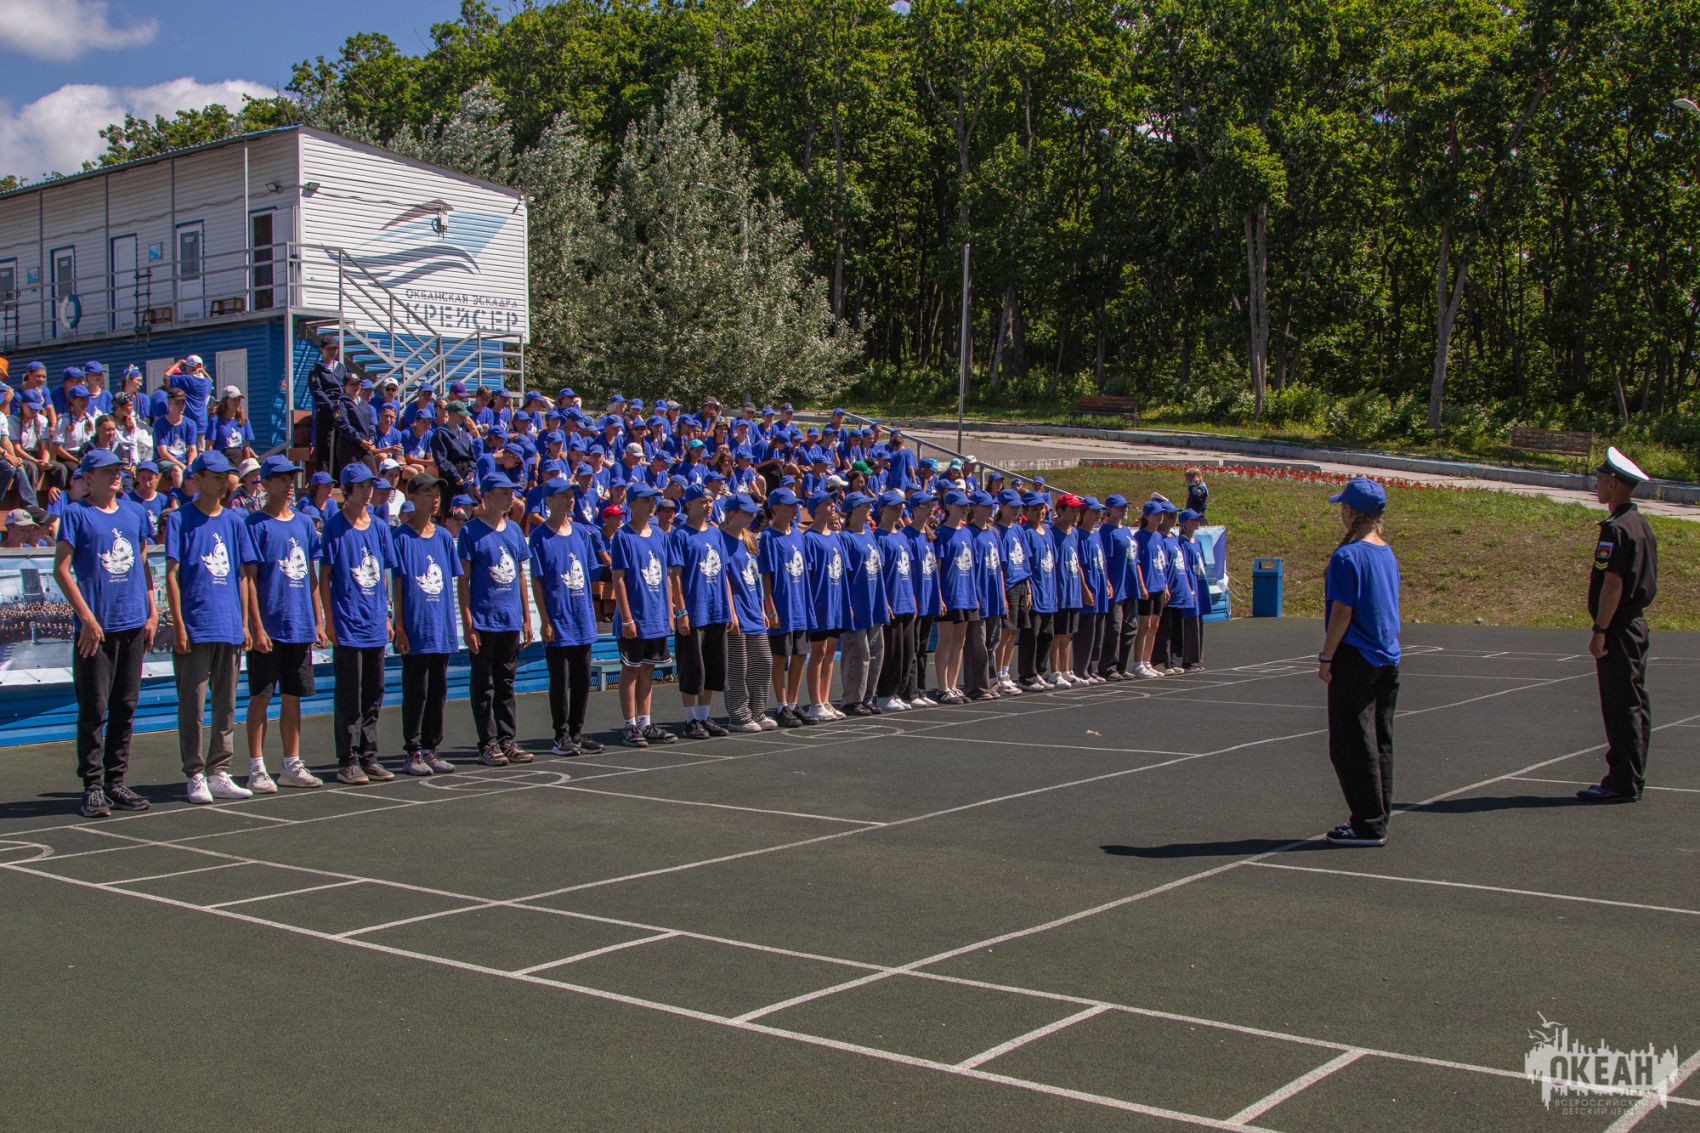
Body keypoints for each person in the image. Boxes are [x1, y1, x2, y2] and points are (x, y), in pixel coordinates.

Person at [54, 449, 158, 817]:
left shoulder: (134, 512)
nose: (116, 475)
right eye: (106, 470)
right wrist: (86, 617)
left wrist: (152, 611)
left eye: (118, 469)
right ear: (87, 477)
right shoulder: (76, 514)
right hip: (95, 630)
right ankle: (93, 787)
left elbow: (143, 562)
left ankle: (116, 781)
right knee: (94, 708)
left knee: (125, 706)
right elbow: (61, 569)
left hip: (132, 623)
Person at [166, 452, 259, 804]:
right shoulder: (180, 519)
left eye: (226, 477)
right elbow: (172, 574)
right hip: (196, 625)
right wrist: (179, 624)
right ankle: (195, 772)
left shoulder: (235, 521)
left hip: (229, 625)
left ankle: (219, 770)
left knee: (226, 704)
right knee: (192, 705)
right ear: (198, 478)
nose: (223, 483)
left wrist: (245, 623)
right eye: (216, 476)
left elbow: (244, 576)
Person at [1318, 477, 1401, 847]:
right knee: (1379, 740)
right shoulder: (1385, 551)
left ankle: (1367, 822)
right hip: (1386, 655)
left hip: (1356, 655)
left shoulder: (1347, 556)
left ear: (1350, 511)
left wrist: (1327, 656)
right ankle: (1378, 815)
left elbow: (1342, 612)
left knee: (1351, 743)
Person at [242, 456, 326, 792]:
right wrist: (256, 626)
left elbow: (312, 578)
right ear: (264, 483)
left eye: (291, 478)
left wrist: (317, 620)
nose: (288, 484)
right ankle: (256, 766)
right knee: (261, 696)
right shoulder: (254, 524)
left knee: (293, 696)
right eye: (280, 478)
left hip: (299, 625)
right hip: (269, 627)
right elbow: (249, 580)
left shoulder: (304, 523)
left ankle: (291, 763)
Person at [1579, 447, 1658, 803]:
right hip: (1634, 624)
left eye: (1599, 479)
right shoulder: (1639, 525)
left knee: (1620, 704)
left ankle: (1622, 781)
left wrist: (1600, 631)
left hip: (1619, 627)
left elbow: (1613, 584)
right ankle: (1631, 776)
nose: (1596, 484)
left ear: (1613, 484)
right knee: (1634, 702)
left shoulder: (1615, 529)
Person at [320, 463, 396, 784]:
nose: (368, 492)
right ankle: (348, 759)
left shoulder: (379, 527)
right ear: (347, 490)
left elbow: (385, 573)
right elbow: (325, 576)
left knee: (374, 692)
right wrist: (329, 620)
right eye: (362, 486)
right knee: (349, 694)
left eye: (370, 486)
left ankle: (369, 756)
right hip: (348, 622)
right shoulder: (335, 527)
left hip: (375, 622)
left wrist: (388, 614)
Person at [458, 471, 535, 765]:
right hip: (484, 620)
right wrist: (468, 622)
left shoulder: (513, 530)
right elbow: (463, 580)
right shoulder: (470, 532)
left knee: (506, 683)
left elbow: (521, 576)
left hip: (509, 619)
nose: (510, 497)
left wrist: (526, 617)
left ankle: (507, 739)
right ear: (487, 496)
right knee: (483, 684)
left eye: (511, 493)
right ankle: (487, 742)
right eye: (504, 493)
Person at [529, 476, 606, 756]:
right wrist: (545, 620)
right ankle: (560, 735)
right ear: (549, 500)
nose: (570, 499)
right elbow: (537, 581)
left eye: (571, 495)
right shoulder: (540, 537)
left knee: (582, 679)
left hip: (581, 617)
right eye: (563, 495)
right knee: (560, 681)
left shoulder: (581, 533)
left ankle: (576, 732)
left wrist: (592, 610)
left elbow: (588, 574)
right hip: (558, 618)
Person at [390, 475, 462, 775]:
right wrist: (400, 628)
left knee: (437, 691)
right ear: (413, 497)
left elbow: (449, 584)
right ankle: (413, 751)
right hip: (416, 628)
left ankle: (432, 748)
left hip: (441, 627)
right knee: (415, 691)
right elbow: (397, 586)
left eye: (437, 493)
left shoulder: (444, 536)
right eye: (428, 493)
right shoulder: (401, 538)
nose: (435, 499)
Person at [609, 484, 677, 747]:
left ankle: (645, 722)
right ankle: (629, 725)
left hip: (656, 614)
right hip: (635, 616)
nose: (651, 506)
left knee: (648, 668)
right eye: (646, 501)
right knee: (631, 668)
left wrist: (670, 612)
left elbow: (667, 576)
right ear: (632, 504)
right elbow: (619, 579)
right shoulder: (623, 536)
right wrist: (627, 618)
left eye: (653, 501)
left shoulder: (659, 534)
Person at [669, 484, 732, 739]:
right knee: (692, 668)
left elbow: (724, 573)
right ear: (690, 505)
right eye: (702, 501)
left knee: (712, 667)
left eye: (710, 501)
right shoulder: (680, 535)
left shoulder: (716, 533)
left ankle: (705, 716)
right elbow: (675, 575)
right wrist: (681, 611)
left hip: (716, 609)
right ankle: (690, 719)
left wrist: (728, 608)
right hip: (694, 609)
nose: (707, 506)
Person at [718, 494, 776, 732]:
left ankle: (758, 711)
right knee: (737, 666)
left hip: (753, 610)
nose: (753, 516)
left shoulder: (749, 539)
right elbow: (723, 579)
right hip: (736, 612)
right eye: (747, 513)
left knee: (763, 661)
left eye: (754, 513)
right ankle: (739, 715)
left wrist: (762, 609)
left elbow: (755, 577)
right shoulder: (721, 540)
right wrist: (730, 611)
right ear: (732, 514)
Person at [758, 487, 812, 726]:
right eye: (789, 505)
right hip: (782, 605)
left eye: (795, 505)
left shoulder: (799, 535)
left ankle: (793, 702)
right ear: (776, 508)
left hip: (800, 604)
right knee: (780, 655)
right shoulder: (769, 537)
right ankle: (781, 705)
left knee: (800, 654)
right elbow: (766, 576)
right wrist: (770, 607)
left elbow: (805, 571)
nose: (794, 509)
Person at [836, 492, 887, 716]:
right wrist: (847, 604)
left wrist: (884, 600)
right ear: (855, 509)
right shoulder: (845, 538)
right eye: (866, 506)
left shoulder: (869, 534)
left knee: (876, 652)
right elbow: (844, 575)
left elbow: (878, 567)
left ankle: (867, 696)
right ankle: (852, 698)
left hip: (874, 601)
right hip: (857, 603)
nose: (870, 510)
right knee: (858, 653)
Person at [801, 491, 846, 721]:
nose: (832, 507)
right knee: (817, 652)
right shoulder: (809, 538)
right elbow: (808, 575)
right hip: (819, 603)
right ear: (816, 508)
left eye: (833, 503)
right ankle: (815, 702)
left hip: (835, 602)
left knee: (830, 651)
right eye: (826, 503)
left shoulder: (836, 537)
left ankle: (825, 699)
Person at [931, 490, 976, 704]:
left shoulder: (967, 532)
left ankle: (953, 683)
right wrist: (939, 596)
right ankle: (943, 687)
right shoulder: (941, 533)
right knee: (946, 639)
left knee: (960, 640)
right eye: (960, 505)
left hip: (966, 592)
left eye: (966, 505)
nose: (965, 509)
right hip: (950, 593)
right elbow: (938, 567)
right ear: (949, 507)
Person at [1175, 509, 1208, 672]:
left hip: (1199, 584)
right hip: (1191, 585)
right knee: (1190, 622)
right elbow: (1184, 567)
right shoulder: (1182, 543)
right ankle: (1187, 659)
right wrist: (1188, 586)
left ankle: (1197, 658)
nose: (1197, 523)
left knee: (1198, 621)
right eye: (1193, 520)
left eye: (1197, 520)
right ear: (1185, 524)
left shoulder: (1197, 542)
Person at [308, 340, 346, 475]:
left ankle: (338, 478)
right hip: (325, 410)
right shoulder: (316, 369)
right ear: (322, 350)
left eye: (334, 349)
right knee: (325, 446)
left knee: (339, 445)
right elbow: (316, 391)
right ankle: (324, 477)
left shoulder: (341, 368)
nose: (332, 352)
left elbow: (345, 387)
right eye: (329, 349)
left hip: (340, 408)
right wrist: (331, 405)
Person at [208, 387, 255, 463]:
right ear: (225, 401)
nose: (237, 403)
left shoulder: (244, 421)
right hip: (222, 461)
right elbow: (209, 446)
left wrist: (247, 465)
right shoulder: (215, 421)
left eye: (239, 400)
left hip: (239, 460)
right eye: (234, 400)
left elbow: (246, 447)